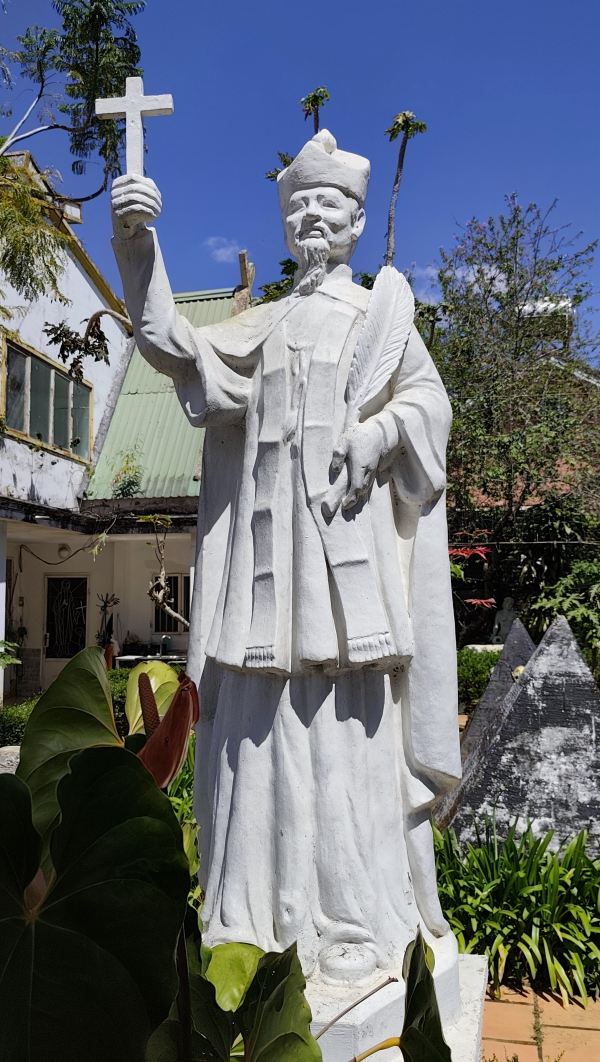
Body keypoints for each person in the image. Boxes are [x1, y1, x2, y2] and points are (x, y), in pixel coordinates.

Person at [111, 129, 461, 983]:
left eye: (328, 204)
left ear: (356, 221)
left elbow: (430, 408)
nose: (312, 216)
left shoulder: (380, 320)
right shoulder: (262, 326)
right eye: (298, 204)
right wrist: (136, 244)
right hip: (263, 576)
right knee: (258, 737)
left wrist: (380, 433)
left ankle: (354, 917)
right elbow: (172, 345)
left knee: (346, 737)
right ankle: (258, 912)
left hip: (347, 578)